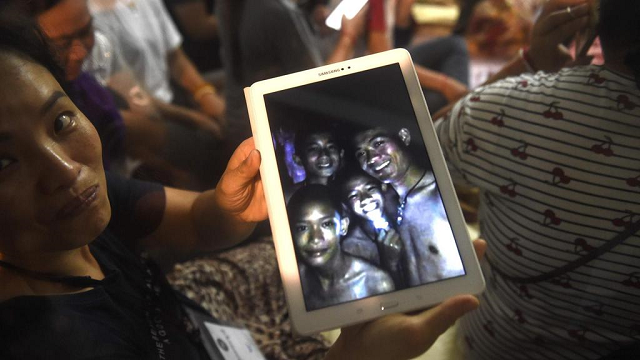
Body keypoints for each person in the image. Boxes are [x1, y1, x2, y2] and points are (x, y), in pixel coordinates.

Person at [0, 12, 488, 360]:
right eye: (4, 160)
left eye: (61, 120)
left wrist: (227, 207)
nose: (64, 170)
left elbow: (194, 221)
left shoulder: (88, 203)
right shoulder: (54, 341)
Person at [434, 0, 640, 358]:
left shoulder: (513, 107)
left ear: (595, 20)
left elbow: (421, 155)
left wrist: (528, 63)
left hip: (492, 346)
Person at [26, 0, 227, 189]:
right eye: (62, 43)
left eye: (87, 31)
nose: (80, 52)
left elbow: (141, 88)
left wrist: (202, 97)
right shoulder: (37, 92)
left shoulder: (86, 76)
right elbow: (133, 125)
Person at [216, 0, 368, 148]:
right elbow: (318, 85)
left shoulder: (227, 4)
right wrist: (349, 36)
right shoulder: (278, 12)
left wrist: (309, 26)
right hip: (270, 136)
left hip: (237, 123)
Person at [352, 126, 465, 285]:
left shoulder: (441, 194)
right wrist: (390, 262)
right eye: (362, 154)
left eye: (378, 143)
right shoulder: (389, 205)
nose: (371, 158)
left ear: (404, 137)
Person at [87, 0, 225, 123]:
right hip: (141, 119)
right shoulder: (88, 14)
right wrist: (195, 119)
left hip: (173, 101)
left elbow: (174, 57)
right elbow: (132, 98)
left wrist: (204, 93)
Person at [288, 185, 394, 310]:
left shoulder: (376, 283)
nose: (315, 238)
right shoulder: (294, 281)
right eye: (302, 228)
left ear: (343, 226)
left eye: (326, 224)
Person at [339, 168, 407, 288]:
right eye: (354, 195)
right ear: (346, 206)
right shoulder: (351, 248)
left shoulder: (404, 217)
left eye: (370, 188)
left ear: (383, 188)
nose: (365, 198)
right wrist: (390, 264)